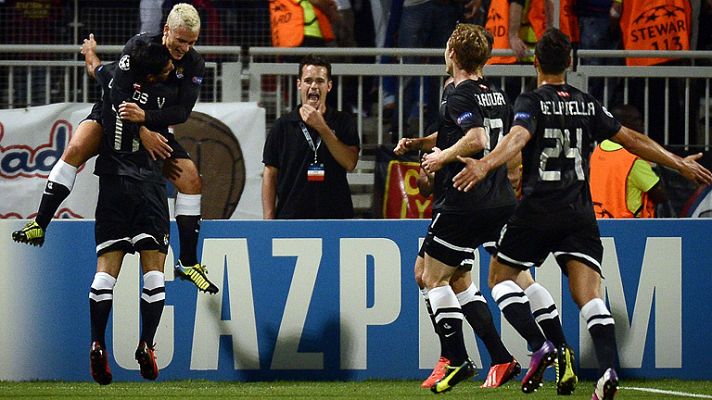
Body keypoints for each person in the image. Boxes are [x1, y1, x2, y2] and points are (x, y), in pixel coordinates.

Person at [452, 28, 712, 399]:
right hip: (579, 212)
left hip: (539, 208)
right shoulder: (587, 103)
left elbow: (518, 138)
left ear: (536, 62)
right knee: (590, 296)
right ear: (570, 63)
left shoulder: (531, 101)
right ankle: (607, 369)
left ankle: (541, 345)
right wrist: (677, 163)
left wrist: (485, 166)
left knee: (500, 278)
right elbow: (632, 139)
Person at [11, 3, 218, 294]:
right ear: (167, 30)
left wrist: (145, 122)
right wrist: (139, 129)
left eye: (192, 42)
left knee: (191, 180)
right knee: (75, 149)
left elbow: (182, 112)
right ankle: (40, 223)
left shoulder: (193, 64)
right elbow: (114, 92)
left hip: (151, 127)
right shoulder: (137, 47)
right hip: (111, 116)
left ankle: (187, 262)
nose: (185, 48)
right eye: (181, 40)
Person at [395, 78, 522, 391]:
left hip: (462, 201)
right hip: (478, 199)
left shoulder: (457, 93)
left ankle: (455, 357)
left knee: (428, 275)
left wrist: (440, 157)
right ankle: (498, 356)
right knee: (457, 280)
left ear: (451, 53)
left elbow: (475, 138)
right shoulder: (492, 95)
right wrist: (422, 144)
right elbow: (462, 134)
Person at [88, 40, 175, 386]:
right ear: (151, 77)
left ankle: (96, 341)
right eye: (166, 68)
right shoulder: (160, 99)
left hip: (111, 181)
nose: (172, 69)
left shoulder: (115, 81)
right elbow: (177, 115)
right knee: (153, 271)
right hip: (147, 184)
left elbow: (98, 69)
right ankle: (146, 344)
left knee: (105, 273)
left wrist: (90, 53)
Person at [262, 54, 360, 219]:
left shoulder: (343, 121)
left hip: (335, 218)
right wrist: (268, 219)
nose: (314, 86)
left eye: (320, 81)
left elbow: (350, 163)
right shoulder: (282, 126)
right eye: (308, 80)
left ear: (329, 86)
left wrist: (322, 127)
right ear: (299, 85)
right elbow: (269, 173)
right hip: (291, 219)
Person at [590, 104, 668, 218]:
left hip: (599, 220)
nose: (642, 124)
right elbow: (660, 195)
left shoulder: (598, 150)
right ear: (623, 125)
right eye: (636, 120)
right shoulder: (633, 159)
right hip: (628, 225)